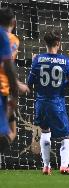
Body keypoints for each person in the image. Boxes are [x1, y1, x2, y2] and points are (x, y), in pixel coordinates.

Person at [27, 30, 69, 175]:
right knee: (66, 136)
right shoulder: (65, 60)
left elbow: (30, 82)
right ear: (58, 43)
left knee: (45, 131)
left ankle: (46, 166)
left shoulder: (37, 59)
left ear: (45, 43)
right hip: (57, 103)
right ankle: (63, 166)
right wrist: (62, 82)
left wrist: (33, 64)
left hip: (41, 103)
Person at [0, 7, 19, 152]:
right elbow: (7, 65)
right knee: (9, 135)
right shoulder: (9, 38)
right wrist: (16, 90)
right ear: (14, 22)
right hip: (3, 89)